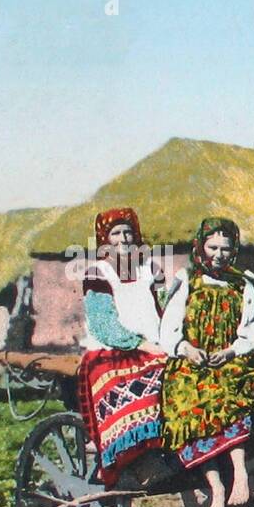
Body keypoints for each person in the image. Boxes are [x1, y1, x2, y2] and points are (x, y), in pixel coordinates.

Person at [159, 217, 254, 507]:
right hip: (192, 363)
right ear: (201, 246)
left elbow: (253, 331)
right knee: (189, 402)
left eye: (225, 249)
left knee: (232, 391)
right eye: (213, 247)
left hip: (230, 358)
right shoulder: (188, 280)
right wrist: (187, 349)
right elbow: (169, 330)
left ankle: (240, 474)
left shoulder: (244, 282)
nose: (219, 254)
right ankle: (216, 487)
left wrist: (230, 351)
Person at [76, 207, 169, 486]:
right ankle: (136, 456)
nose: (124, 238)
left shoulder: (149, 269)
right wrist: (140, 344)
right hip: (114, 349)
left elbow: (164, 308)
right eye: (116, 233)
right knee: (144, 382)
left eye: (128, 231)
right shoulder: (98, 273)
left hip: (156, 344)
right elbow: (104, 324)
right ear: (105, 239)